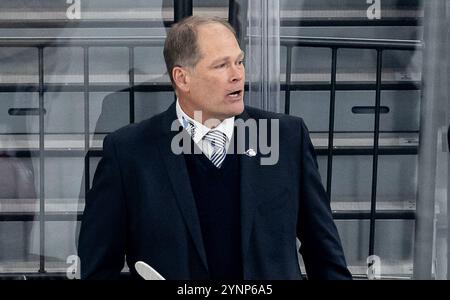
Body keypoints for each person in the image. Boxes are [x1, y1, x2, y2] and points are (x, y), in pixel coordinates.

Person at [78, 16, 351, 280]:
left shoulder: (287, 138)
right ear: (182, 78)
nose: (237, 75)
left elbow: (324, 254)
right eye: (221, 66)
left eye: (240, 62)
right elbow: (99, 267)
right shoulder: (128, 152)